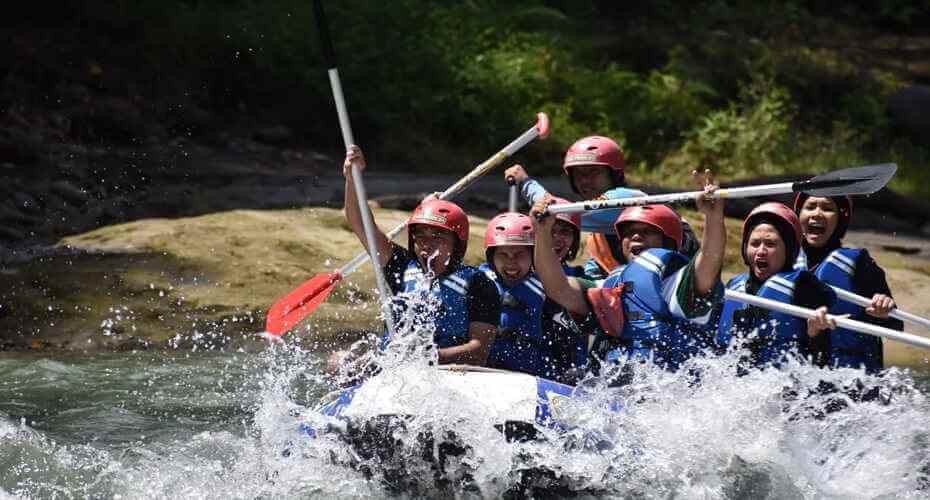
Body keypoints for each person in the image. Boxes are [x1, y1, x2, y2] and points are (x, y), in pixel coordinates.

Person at [530, 171, 725, 372]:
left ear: (667, 242)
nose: (636, 237)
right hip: (623, 385)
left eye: (647, 231)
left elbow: (709, 263)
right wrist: (543, 232)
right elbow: (558, 288)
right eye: (629, 232)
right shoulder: (613, 282)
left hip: (671, 386)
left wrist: (713, 217)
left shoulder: (675, 279)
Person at [340, 145, 500, 366]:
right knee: (338, 361)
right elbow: (360, 222)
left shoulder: (479, 284)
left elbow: (478, 351)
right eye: (420, 236)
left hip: (450, 371)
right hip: (394, 367)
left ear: (457, 243)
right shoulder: (400, 265)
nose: (427, 244)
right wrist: (352, 179)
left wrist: (425, 358)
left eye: (438, 237)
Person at [505, 135, 700, 280]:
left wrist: (525, 182)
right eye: (579, 174)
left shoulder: (626, 199)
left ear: (613, 175)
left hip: (681, 284)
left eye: (593, 172)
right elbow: (597, 273)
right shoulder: (597, 234)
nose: (585, 181)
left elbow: (558, 211)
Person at [716, 202, 838, 369]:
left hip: (786, 388)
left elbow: (822, 362)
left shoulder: (805, 286)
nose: (761, 251)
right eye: (754, 243)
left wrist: (815, 334)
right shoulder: (734, 286)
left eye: (770, 244)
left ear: (789, 251)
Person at [793, 194, 902, 373]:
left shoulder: (859, 264)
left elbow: (896, 326)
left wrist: (884, 311)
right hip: (800, 379)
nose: (817, 214)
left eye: (827, 208)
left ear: (840, 220)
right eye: (810, 207)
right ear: (798, 216)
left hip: (853, 383)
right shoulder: (784, 263)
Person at [480, 212, 586, 383]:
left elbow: (571, 344)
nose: (511, 263)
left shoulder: (551, 291)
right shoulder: (477, 283)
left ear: (533, 256)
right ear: (491, 258)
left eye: (520, 255)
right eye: (503, 255)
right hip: (485, 374)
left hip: (531, 379)